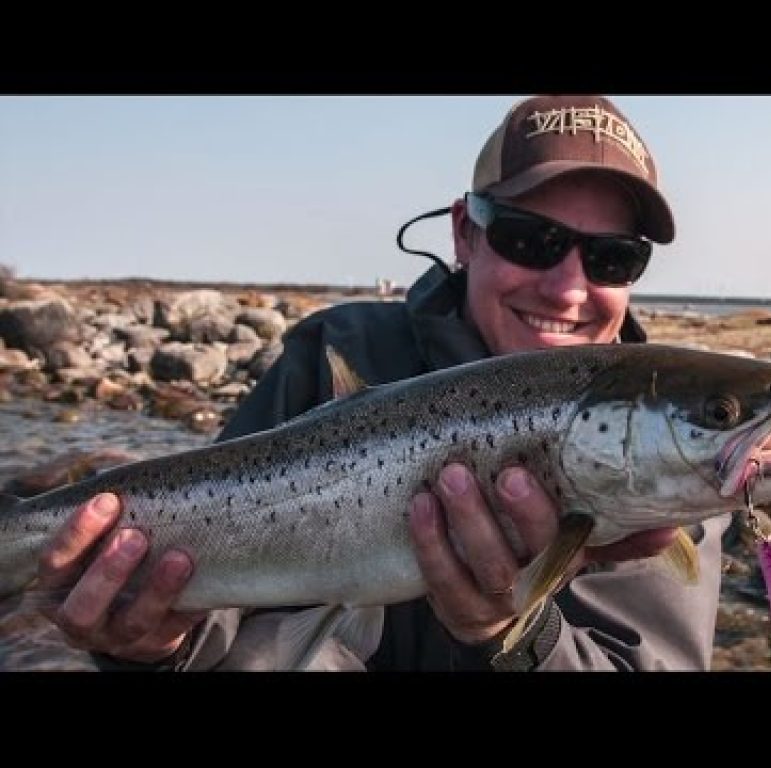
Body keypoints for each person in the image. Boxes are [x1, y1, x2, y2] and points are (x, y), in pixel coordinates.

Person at [35, 95, 732, 670]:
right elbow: (219, 617)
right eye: (530, 240)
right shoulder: (336, 349)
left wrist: (512, 638)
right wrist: (154, 649)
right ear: (465, 232)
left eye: (612, 258)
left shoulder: (674, 450)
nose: (568, 289)